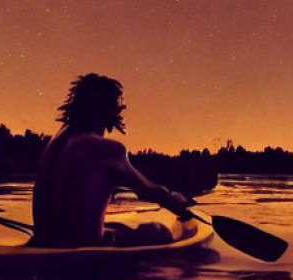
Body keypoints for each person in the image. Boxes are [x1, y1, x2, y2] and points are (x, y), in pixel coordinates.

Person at [30, 73, 191, 248]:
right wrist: (176, 201)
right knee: (158, 231)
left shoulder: (55, 142)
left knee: (116, 227)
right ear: (111, 113)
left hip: (41, 242)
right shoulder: (107, 149)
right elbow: (147, 191)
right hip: (81, 249)